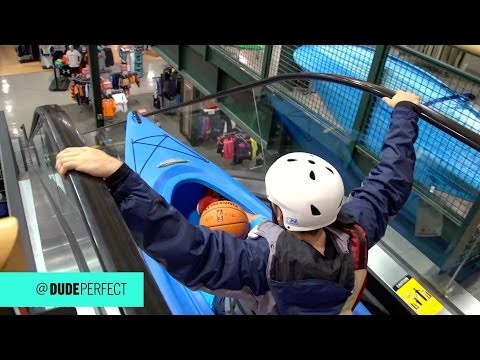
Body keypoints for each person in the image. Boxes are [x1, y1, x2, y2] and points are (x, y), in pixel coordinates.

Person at [55, 90, 420, 315]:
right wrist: (405, 112)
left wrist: (121, 178)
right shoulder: (358, 229)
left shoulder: (257, 262)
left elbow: (186, 249)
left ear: (277, 209)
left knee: (220, 299)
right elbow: (391, 179)